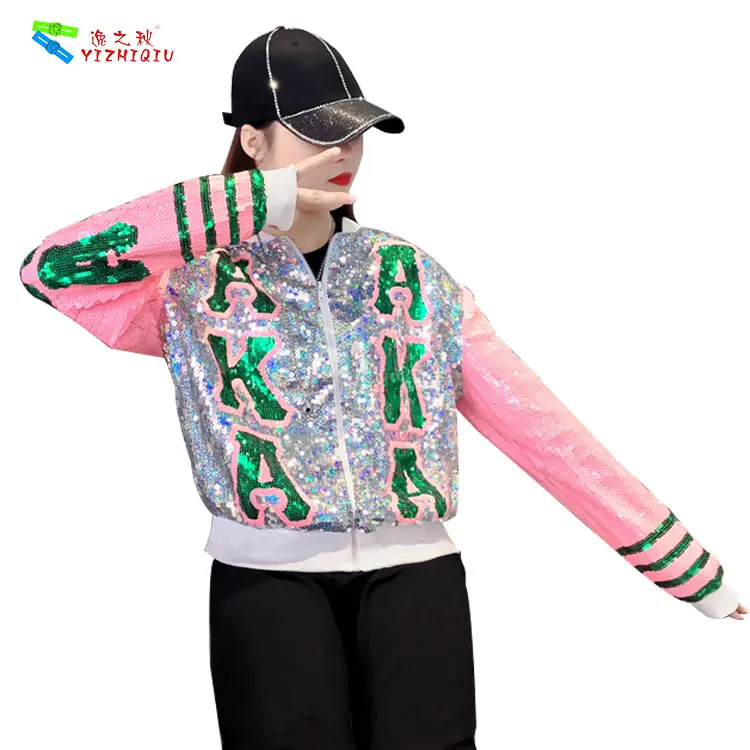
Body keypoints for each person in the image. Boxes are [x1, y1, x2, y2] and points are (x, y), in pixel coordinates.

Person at [20, 24, 746, 750]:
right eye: (316, 133)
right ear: (252, 142)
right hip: (264, 586)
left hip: (416, 583)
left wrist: (685, 567)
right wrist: (253, 203)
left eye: (355, 134)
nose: (343, 152)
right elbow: (49, 269)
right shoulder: (189, 289)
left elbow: (542, 431)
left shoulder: (410, 277)